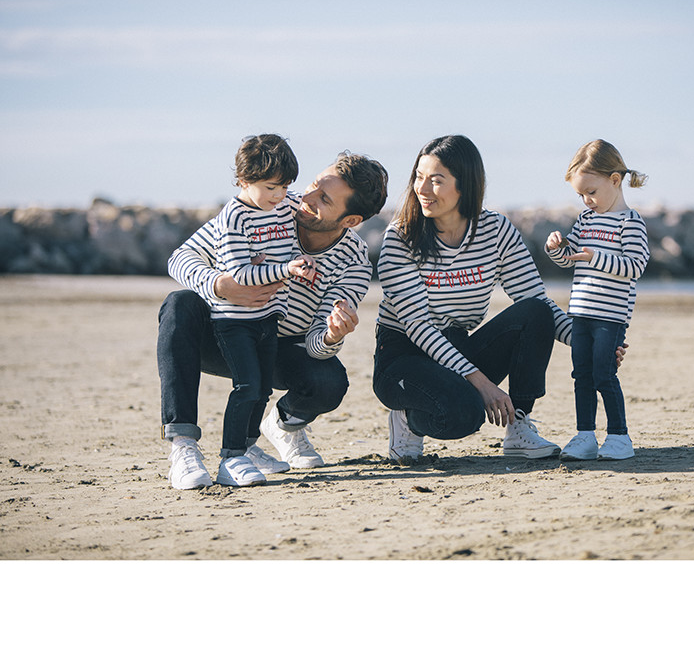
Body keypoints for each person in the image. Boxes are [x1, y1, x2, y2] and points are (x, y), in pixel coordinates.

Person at [159, 147, 389, 489]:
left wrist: (331, 336)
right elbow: (181, 258)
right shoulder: (269, 201)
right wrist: (221, 286)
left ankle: (279, 428)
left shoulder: (354, 261)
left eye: (323, 199)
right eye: (313, 185)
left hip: (279, 349)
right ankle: (183, 447)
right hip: (228, 333)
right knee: (179, 304)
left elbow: (314, 344)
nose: (305, 198)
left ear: (351, 221)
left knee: (329, 381)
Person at [372, 134, 569, 463]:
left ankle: (519, 427)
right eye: (419, 178)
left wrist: (587, 341)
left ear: (466, 185)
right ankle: (407, 419)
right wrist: (482, 384)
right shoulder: (400, 237)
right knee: (466, 413)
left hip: (456, 345)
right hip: (403, 356)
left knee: (534, 313)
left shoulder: (495, 230)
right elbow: (418, 327)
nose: (422, 189)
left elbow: (538, 303)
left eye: (436, 181)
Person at [206, 134, 318, 487]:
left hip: (269, 317)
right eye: (271, 187)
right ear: (243, 180)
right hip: (234, 322)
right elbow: (240, 274)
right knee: (247, 386)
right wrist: (286, 269)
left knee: (263, 389)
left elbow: (295, 236)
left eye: (285, 186)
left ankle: (250, 448)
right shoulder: (234, 217)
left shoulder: (283, 207)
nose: (279, 195)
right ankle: (230, 458)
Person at [545, 139, 650, 461]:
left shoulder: (629, 222)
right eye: (580, 195)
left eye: (591, 191)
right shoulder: (586, 220)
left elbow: (635, 266)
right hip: (581, 313)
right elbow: (569, 259)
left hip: (610, 317)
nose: (586, 200)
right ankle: (585, 435)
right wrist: (556, 249)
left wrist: (595, 257)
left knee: (604, 374)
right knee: (582, 375)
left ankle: (619, 436)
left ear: (614, 181)